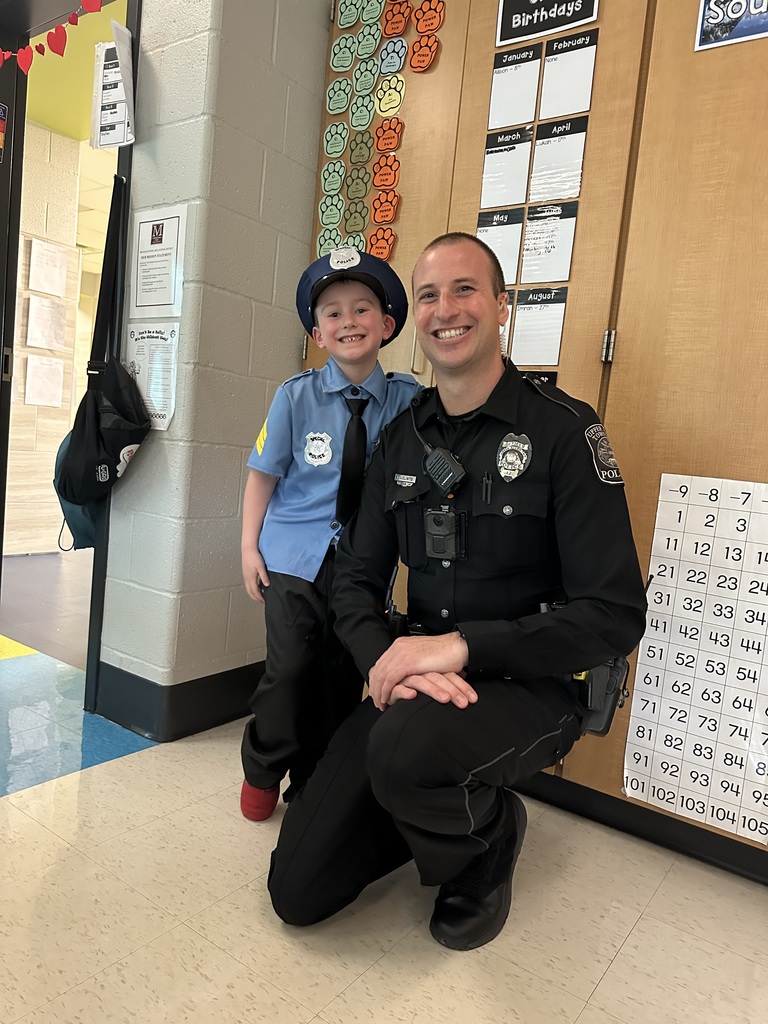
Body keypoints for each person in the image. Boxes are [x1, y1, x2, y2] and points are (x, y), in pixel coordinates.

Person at [268, 232, 647, 950]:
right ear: (415, 316)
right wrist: (389, 660)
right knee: (298, 891)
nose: (446, 309)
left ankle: (489, 838)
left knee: (404, 752)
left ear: (502, 306)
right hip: (418, 681)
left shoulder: (565, 432)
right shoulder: (401, 440)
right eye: (430, 295)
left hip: (531, 682)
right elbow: (354, 582)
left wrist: (462, 648)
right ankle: (420, 794)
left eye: (465, 289)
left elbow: (615, 615)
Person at [239, 247, 420, 822]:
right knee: (290, 670)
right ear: (317, 334)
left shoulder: (410, 400)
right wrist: (248, 547)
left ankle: (313, 784)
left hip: (363, 566)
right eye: (334, 314)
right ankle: (263, 766)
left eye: (362, 309)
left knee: (341, 677)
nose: (349, 322)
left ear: (386, 325)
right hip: (292, 556)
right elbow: (263, 474)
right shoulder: (296, 396)